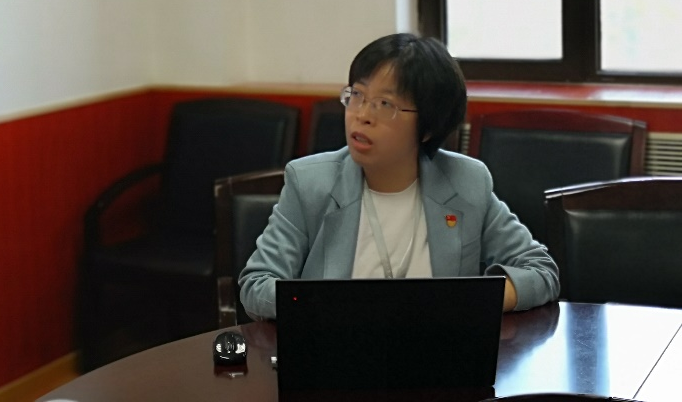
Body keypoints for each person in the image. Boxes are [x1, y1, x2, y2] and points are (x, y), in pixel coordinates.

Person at [239, 32, 560, 320]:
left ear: (428, 127)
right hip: (336, 354)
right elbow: (256, 285)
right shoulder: (310, 182)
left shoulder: (465, 183)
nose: (362, 115)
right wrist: (334, 308)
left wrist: (465, 303)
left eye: (384, 104)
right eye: (357, 95)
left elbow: (541, 272)